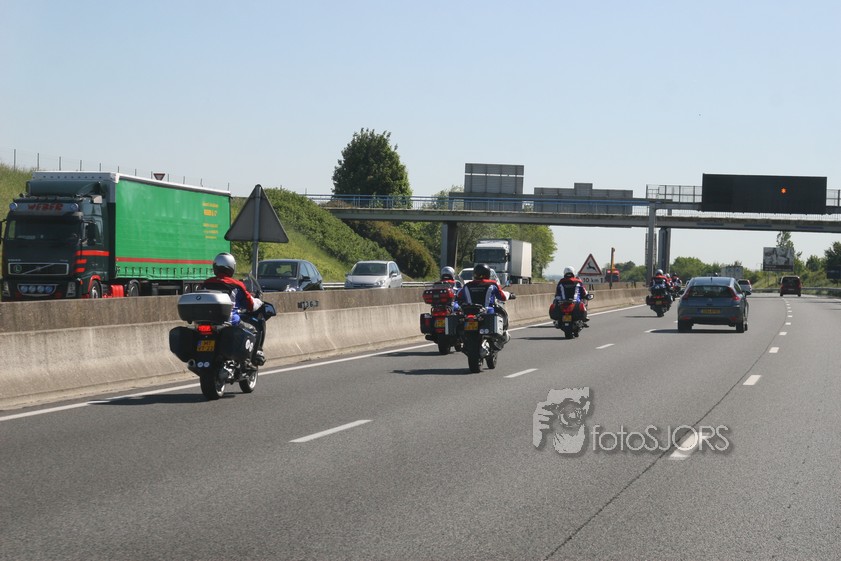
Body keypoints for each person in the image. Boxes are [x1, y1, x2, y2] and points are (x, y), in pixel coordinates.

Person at [202, 252, 266, 366]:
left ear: (215, 267)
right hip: (230, 321)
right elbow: (250, 305)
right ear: (232, 267)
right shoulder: (236, 285)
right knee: (253, 330)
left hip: (207, 321)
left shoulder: (207, 283)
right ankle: (250, 360)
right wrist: (259, 302)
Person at [457, 263, 509, 341]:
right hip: (486, 311)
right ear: (488, 273)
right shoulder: (492, 284)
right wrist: (509, 295)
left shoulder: (467, 285)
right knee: (500, 313)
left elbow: (459, 296)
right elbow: (503, 297)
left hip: (469, 311)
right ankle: (501, 334)